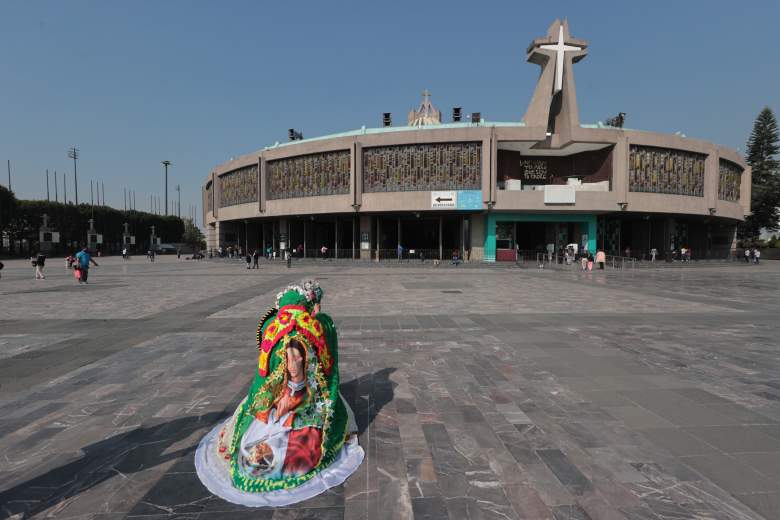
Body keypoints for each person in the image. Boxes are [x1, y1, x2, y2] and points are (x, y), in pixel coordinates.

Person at [195, 283, 362, 507]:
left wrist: (261, 403)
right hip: (306, 402)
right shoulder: (317, 325)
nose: (294, 363)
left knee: (262, 434)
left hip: (278, 400)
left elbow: (261, 379)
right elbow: (327, 352)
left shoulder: (271, 327)